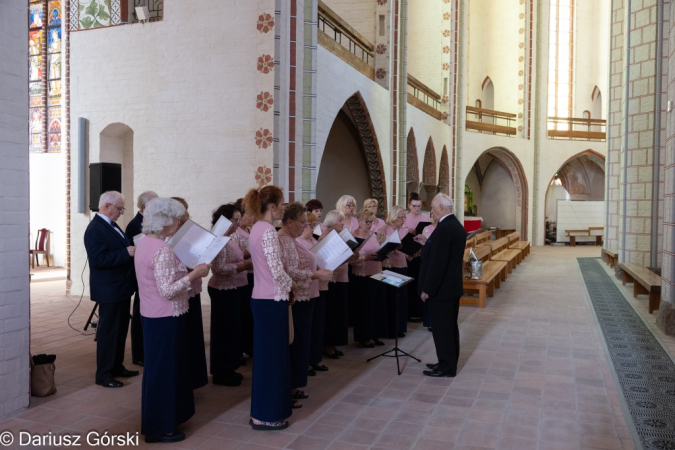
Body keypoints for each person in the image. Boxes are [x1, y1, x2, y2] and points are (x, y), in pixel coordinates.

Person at [134, 197, 211, 443]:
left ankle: (162, 421)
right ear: (165, 220)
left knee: (159, 372)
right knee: (164, 374)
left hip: (153, 315)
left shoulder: (145, 243)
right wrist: (196, 274)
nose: (178, 223)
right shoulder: (162, 249)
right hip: (165, 317)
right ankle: (160, 428)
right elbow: (168, 290)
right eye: (176, 218)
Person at [245, 185, 294, 430]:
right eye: (282, 204)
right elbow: (277, 271)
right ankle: (266, 415)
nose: (284, 208)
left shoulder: (255, 229)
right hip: (272, 299)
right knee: (272, 360)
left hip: (261, 298)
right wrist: (292, 286)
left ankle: (261, 411)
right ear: (272, 206)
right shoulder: (267, 232)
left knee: (266, 358)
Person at [84, 191, 138, 388]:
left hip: (121, 287)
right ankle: (104, 374)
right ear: (107, 206)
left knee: (121, 329)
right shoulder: (95, 229)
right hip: (109, 289)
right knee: (108, 332)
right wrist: (125, 253)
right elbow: (98, 260)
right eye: (120, 209)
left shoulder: (111, 225)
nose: (121, 213)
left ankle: (116, 366)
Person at [279, 203, 333, 403]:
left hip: (305, 296)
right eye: (302, 222)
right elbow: (290, 271)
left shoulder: (291, 240)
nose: (304, 227)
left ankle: (294, 385)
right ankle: (290, 386)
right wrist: (315, 274)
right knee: (297, 343)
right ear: (290, 221)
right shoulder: (284, 241)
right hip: (297, 298)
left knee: (302, 342)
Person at [417, 194, 466, 378]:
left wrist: (427, 289)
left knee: (442, 330)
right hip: (451, 287)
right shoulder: (455, 225)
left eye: (432, 207)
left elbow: (438, 263)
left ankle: (447, 367)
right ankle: (447, 361)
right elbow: (442, 251)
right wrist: (427, 243)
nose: (431, 210)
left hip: (442, 290)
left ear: (440, 206)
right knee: (449, 327)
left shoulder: (444, 228)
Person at [208, 204, 252, 386]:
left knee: (233, 331)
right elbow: (218, 269)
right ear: (225, 220)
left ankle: (230, 367)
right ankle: (221, 372)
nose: (238, 223)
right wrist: (245, 266)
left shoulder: (230, 237)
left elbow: (239, 255)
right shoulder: (217, 238)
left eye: (239, 219)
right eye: (235, 220)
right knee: (224, 332)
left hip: (235, 288)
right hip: (222, 290)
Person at [171, 196, 208, 389]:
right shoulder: (169, 237)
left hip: (191, 285)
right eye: (183, 212)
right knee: (186, 335)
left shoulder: (187, 232)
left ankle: (196, 376)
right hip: (181, 287)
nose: (186, 215)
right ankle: (189, 377)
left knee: (194, 333)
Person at [125, 190, 158, 367]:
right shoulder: (135, 225)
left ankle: (144, 351)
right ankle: (139, 354)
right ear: (145, 206)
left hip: (148, 275)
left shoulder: (147, 222)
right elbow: (135, 251)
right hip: (141, 277)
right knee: (139, 314)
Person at [296, 212, 332, 374]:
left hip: (317, 287)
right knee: (305, 329)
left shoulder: (313, 240)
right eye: (310, 225)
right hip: (304, 289)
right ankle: (306, 362)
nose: (312, 228)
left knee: (317, 326)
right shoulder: (297, 242)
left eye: (313, 225)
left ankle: (315, 359)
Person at [351, 209, 386, 347]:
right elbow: (349, 260)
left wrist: (384, 253)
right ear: (359, 221)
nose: (370, 225)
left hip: (377, 273)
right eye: (367, 222)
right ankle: (364, 336)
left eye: (371, 222)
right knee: (364, 307)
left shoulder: (373, 235)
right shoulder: (353, 237)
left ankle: (376, 334)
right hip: (362, 276)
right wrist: (364, 258)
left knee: (377, 306)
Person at [321, 210, 350, 358]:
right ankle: (327, 345)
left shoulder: (338, 235)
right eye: (340, 221)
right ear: (332, 222)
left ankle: (333, 343)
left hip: (340, 277)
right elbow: (323, 257)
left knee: (338, 313)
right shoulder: (325, 236)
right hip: (330, 280)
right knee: (331, 313)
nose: (343, 223)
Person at [382, 206, 409, 338]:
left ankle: (400, 328)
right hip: (389, 266)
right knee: (391, 298)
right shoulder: (385, 229)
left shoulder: (405, 230)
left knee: (401, 298)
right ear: (393, 216)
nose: (403, 220)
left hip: (402, 265)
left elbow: (406, 249)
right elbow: (380, 248)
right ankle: (390, 328)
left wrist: (411, 252)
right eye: (401, 217)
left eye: (405, 217)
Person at [404, 192, 431, 320]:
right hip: (408, 255)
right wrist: (406, 230)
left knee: (421, 283)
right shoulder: (404, 218)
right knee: (410, 283)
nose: (417, 209)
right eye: (414, 206)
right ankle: (409, 312)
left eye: (419, 206)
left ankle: (420, 312)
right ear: (409, 206)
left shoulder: (426, 218)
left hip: (421, 254)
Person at [234, 197, 255, 358]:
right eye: (248, 213)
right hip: (243, 274)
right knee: (242, 315)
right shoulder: (236, 233)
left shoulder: (249, 230)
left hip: (251, 275)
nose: (251, 216)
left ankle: (247, 345)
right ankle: (240, 348)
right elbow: (238, 255)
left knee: (248, 314)